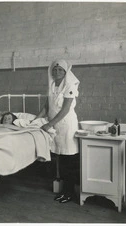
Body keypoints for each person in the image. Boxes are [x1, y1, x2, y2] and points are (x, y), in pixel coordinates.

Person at [33, 59, 80, 203]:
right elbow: (46, 107)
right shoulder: (52, 85)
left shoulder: (70, 86)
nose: (57, 72)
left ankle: (70, 193)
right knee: (60, 159)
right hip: (55, 126)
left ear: (65, 72)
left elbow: (65, 109)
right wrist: (35, 120)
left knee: (69, 161)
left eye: (60, 70)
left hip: (66, 126)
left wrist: (49, 124)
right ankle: (65, 192)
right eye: (54, 69)